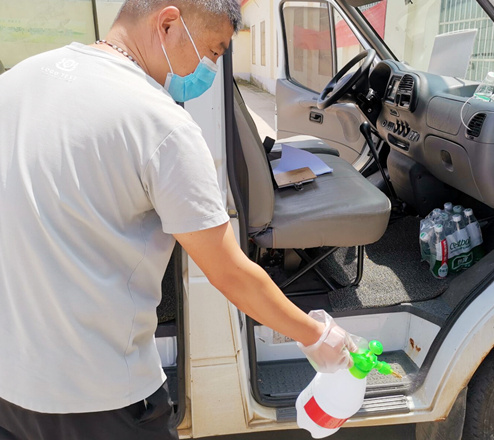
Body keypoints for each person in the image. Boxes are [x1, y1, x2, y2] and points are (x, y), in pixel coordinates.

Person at [0, 1, 357, 439]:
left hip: (9, 384)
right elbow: (230, 273)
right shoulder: (161, 125)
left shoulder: (16, 82)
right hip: (99, 397)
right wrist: (317, 336)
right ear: (168, 24)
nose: (210, 69)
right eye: (214, 50)